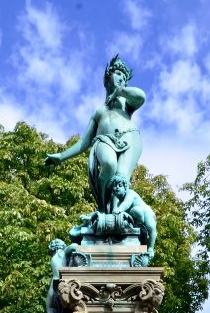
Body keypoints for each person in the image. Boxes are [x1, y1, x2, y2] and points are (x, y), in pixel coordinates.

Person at [45, 55, 145, 210]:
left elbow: (141, 96)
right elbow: (84, 142)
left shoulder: (126, 102)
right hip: (104, 141)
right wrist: (61, 156)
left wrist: (121, 91)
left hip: (130, 137)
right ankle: (104, 209)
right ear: (108, 77)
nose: (121, 78)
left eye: (124, 77)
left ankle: (116, 214)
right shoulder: (99, 112)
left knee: (121, 180)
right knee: (109, 164)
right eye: (118, 74)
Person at [105, 173, 157, 256]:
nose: (117, 187)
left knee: (151, 227)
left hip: (146, 212)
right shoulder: (119, 202)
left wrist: (119, 209)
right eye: (114, 186)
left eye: (120, 185)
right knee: (134, 211)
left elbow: (127, 203)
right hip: (137, 216)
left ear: (125, 187)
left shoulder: (130, 193)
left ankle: (151, 248)